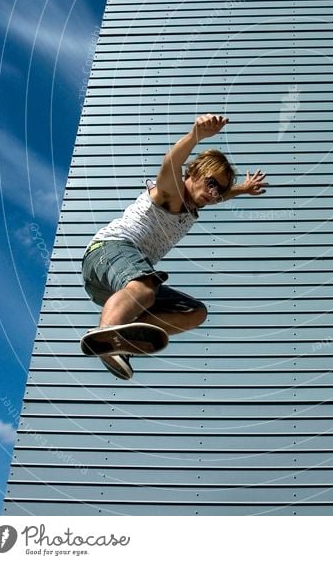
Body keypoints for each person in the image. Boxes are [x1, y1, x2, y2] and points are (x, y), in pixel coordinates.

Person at [80, 113, 267, 379]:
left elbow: (218, 195)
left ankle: (123, 340)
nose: (214, 193)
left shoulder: (195, 203)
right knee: (145, 288)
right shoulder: (172, 191)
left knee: (195, 312)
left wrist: (241, 189)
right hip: (107, 252)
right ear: (194, 173)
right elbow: (171, 162)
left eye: (219, 191)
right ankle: (109, 335)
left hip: (111, 288)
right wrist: (195, 137)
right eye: (211, 183)